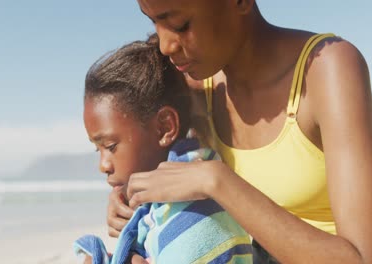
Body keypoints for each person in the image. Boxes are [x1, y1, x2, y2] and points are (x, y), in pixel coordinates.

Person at [107, 1, 372, 263]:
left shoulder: (324, 69)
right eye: (153, 21)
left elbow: (371, 260)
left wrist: (217, 180)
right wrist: (128, 196)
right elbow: (141, 149)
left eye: (181, 25)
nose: (165, 46)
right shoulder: (193, 87)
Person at [76, 35, 254, 264]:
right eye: (97, 149)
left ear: (164, 127)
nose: (103, 165)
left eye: (111, 147)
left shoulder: (194, 219)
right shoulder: (161, 208)